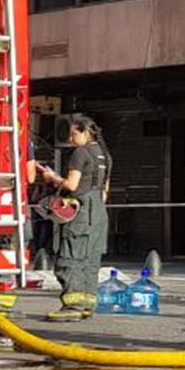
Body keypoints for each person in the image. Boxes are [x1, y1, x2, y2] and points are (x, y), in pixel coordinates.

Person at [33, 114, 111, 321]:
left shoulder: (81, 153)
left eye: (74, 134)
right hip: (99, 212)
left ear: (86, 133)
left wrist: (52, 178)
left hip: (81, 211)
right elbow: (105, 190)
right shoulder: (104, 154)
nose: (70, 139)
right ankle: (87, 305)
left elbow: (71, 185)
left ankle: (72, 306)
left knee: (70, 258)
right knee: (90, 260)